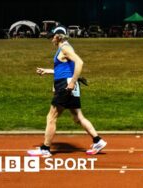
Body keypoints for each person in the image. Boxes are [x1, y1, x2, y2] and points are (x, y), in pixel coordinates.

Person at [27, 26, 107, 157]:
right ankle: (98, 140)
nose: (51, 39)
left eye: (53, 36)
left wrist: (72, 82)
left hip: (66, 85)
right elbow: (66, 68)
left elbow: (79, 63)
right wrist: (48, 71)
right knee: (78, 117)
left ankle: (45, 149)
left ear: (58, 36)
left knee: (51, 117)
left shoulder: (65, 48)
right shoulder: (65, 47)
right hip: (68, 84)